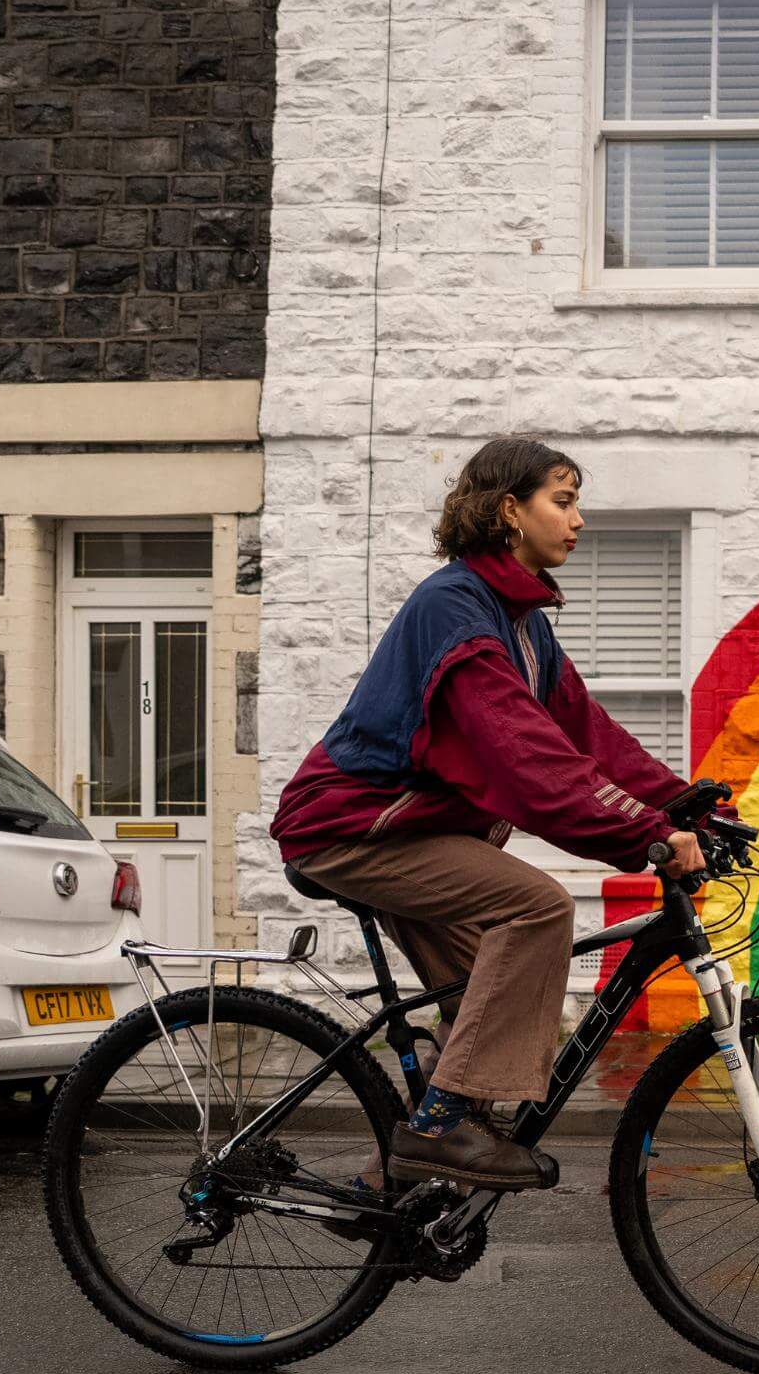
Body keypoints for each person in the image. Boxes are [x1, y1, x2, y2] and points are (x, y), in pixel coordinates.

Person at [271, 438, 703, 1191]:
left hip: (414, 833)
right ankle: (439, 1130)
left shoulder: (523, 622)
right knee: (536, 907)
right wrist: (644, 834)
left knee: (490, 1001)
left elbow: (584, 733)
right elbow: (525, 755)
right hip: (350, 826)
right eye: (562, 502)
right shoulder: (457, 606)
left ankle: (383, 1192)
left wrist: (685, 802)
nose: (578, 520)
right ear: (510, 510)